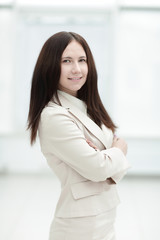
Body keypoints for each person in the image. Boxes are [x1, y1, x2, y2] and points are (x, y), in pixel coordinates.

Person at [27, 31, 130, 240]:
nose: (77, 69)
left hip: (104, 218)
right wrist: (118, 151)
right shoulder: (54, 116)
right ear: (49, 66)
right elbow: (98, 168)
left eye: (82, 60)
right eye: (66, 61)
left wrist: (105, 158)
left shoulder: (87, 107)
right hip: (79, 228)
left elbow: (104, 166)